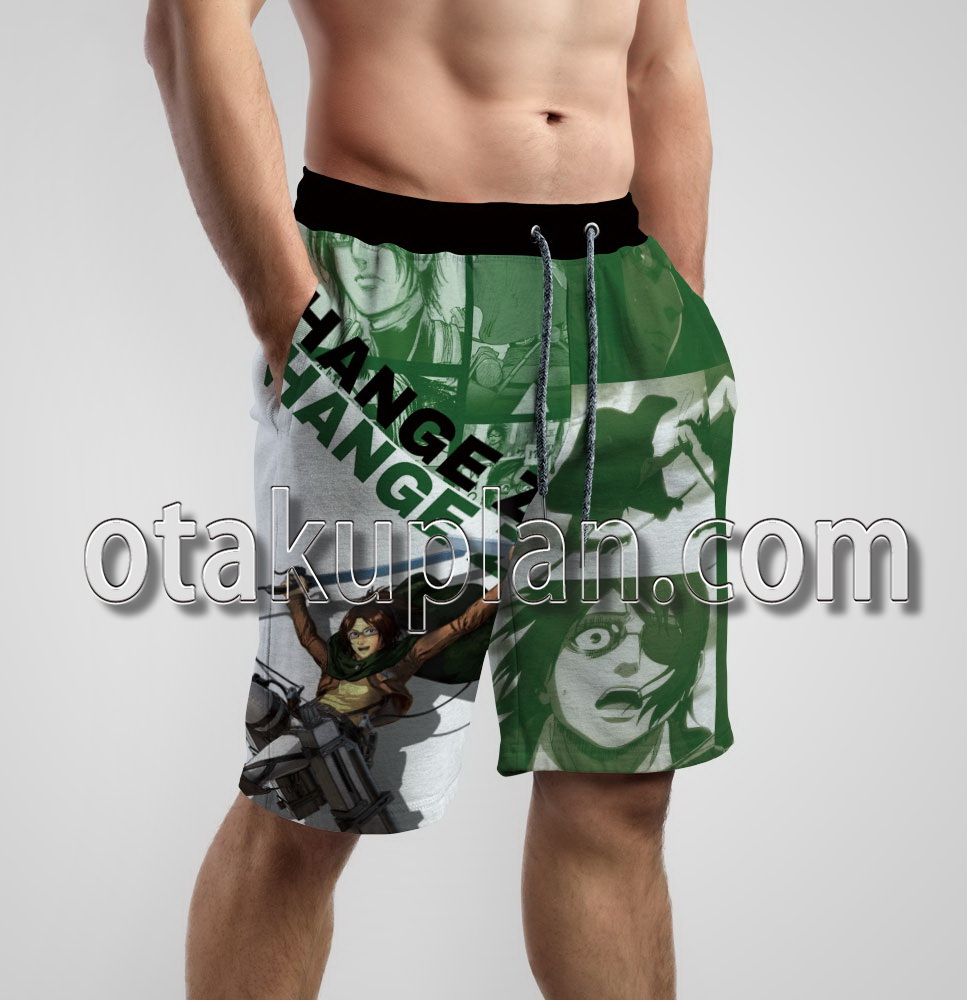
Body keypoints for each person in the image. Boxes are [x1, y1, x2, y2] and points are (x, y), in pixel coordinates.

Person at [144, 2, 738, 998]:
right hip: (398, 307)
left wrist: (675, 301)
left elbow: (657, 57)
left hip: (626, 313)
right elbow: (189, 24)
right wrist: (290, 321)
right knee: (318, 787)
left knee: (621, 792)